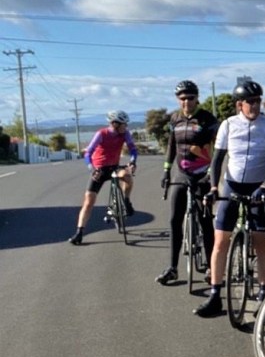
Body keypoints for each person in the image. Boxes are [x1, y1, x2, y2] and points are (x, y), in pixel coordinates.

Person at [194, 79, 265, 317]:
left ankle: (264, 294)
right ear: (239, 104)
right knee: (220, 241)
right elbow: (217, 160)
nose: (254, 106)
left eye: (257, 101)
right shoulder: (228, 125)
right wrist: (214, 188)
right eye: (249, 102)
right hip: (231, 186)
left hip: (258, 188)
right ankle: (215, 295)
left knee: (260, 241)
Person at [156, 80, 219, 285]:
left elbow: (219, 149)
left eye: (190, 98)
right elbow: (171, 146)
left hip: (202, 174)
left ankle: (211, 267)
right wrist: (166, 171)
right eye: (182, 98)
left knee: (205, 220)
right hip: (181, 174)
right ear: (178, 99)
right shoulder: (175, 119)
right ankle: (172, 268)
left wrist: (211, 173)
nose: (186, 102)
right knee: (175, 219)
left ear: (197, 98)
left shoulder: (207, 119)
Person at [68, 109, 139, 245]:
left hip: (114, 167)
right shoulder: (101, 134)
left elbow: (133, 149)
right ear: (115, 124)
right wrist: (92, 168)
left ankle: (126, 201)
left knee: (127, 176)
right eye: (124, 124)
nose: (126, 126)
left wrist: (132, 161)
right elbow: (88, 153)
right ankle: (79, 232)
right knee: (88, 201)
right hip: (100, 170)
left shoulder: (125, 133)